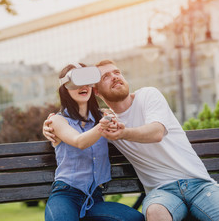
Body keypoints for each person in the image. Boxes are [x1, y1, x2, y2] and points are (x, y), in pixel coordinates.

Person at [44, 60, 219, 221]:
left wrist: (116, 129)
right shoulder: (100, 123)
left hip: (198, 184)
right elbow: (80, 139)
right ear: (96, 91)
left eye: (117, 72)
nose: (115, 77)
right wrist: (50, 124)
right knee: (155, 215)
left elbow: (156, 132)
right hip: (73, 194)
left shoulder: (139, 101)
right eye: (106, 76)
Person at [44, 63, 144, 221]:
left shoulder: (103, 116)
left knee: (134, 218)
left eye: (87, 80)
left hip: (94, 199)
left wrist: (109, 120)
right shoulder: (57, 120)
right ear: (65, 88)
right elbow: (79, 141)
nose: (83, 86)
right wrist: (103, 125)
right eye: (76, 81)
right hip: (66, 195)